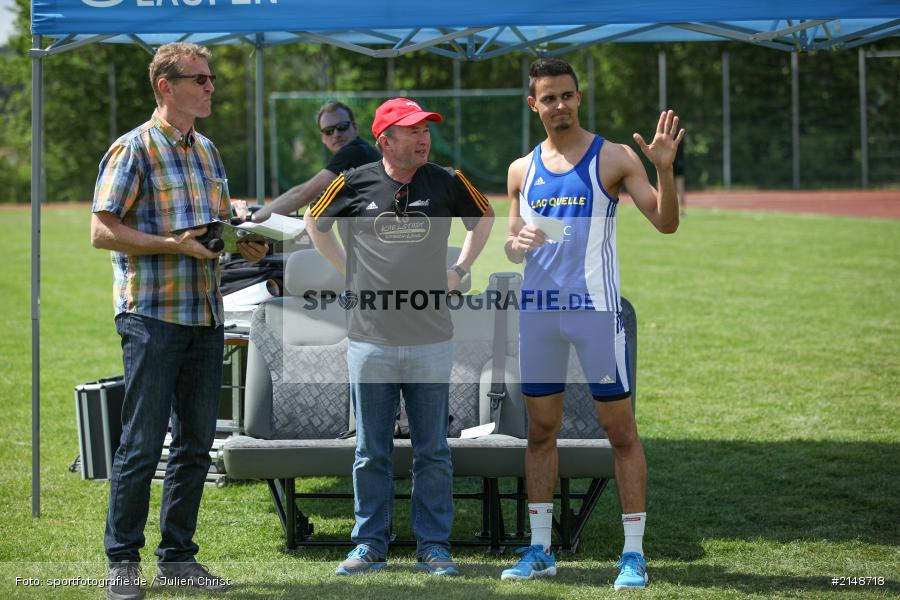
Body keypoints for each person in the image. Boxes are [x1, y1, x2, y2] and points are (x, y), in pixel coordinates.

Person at [90, 42, 267, 600]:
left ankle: (177, 558)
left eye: (211, 78)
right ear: (166, 86)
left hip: (206, 313)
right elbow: (102, 231)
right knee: (143, 443)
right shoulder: (133, 149)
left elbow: (213, 229)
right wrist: (174, 245)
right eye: (200, 79)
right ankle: (122, 562)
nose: (211, 87)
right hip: (152, 315)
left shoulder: (208, 151)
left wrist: (244, 243)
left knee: (195, 444)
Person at [502, 58, 683, 590]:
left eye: (567, 95)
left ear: (578, 97)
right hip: (538, 317)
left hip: (596, 317)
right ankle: (540, 550)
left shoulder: (615, 157)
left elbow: (666, 222)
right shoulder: (520, 170)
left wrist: (664, 169)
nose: (559, 105)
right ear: (533, 104)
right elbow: (512, 246)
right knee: (540, 431)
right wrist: (517, 243)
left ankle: (633, 554)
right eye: (548, 97)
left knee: (620, 431)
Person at [306, 97, 494, 577]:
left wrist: (459, 270)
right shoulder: (353, 181)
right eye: (413, 131)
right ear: (386, 140)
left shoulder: (448, 180)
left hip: (432, 339)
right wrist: (349, 271)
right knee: (371, 450)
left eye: (426, 129)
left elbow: (485, 218)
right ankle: (370, 545)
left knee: (433, 450)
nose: (423, 138)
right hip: (370, 340)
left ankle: (434, 547)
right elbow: (315, 223)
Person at [252, 100, 381, 222]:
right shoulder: (363, 150)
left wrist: (252, 218)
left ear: (355, 128)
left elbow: (301, 195)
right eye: (328, 131)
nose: (336, 134)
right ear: (323, 138)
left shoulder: (354, 152)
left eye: (342, 126)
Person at [674, 140, 686, 215]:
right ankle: (681, 210)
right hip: (679, 160)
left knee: (663, 186)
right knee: (680, 187)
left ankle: (681, 209)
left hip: (671, 159)